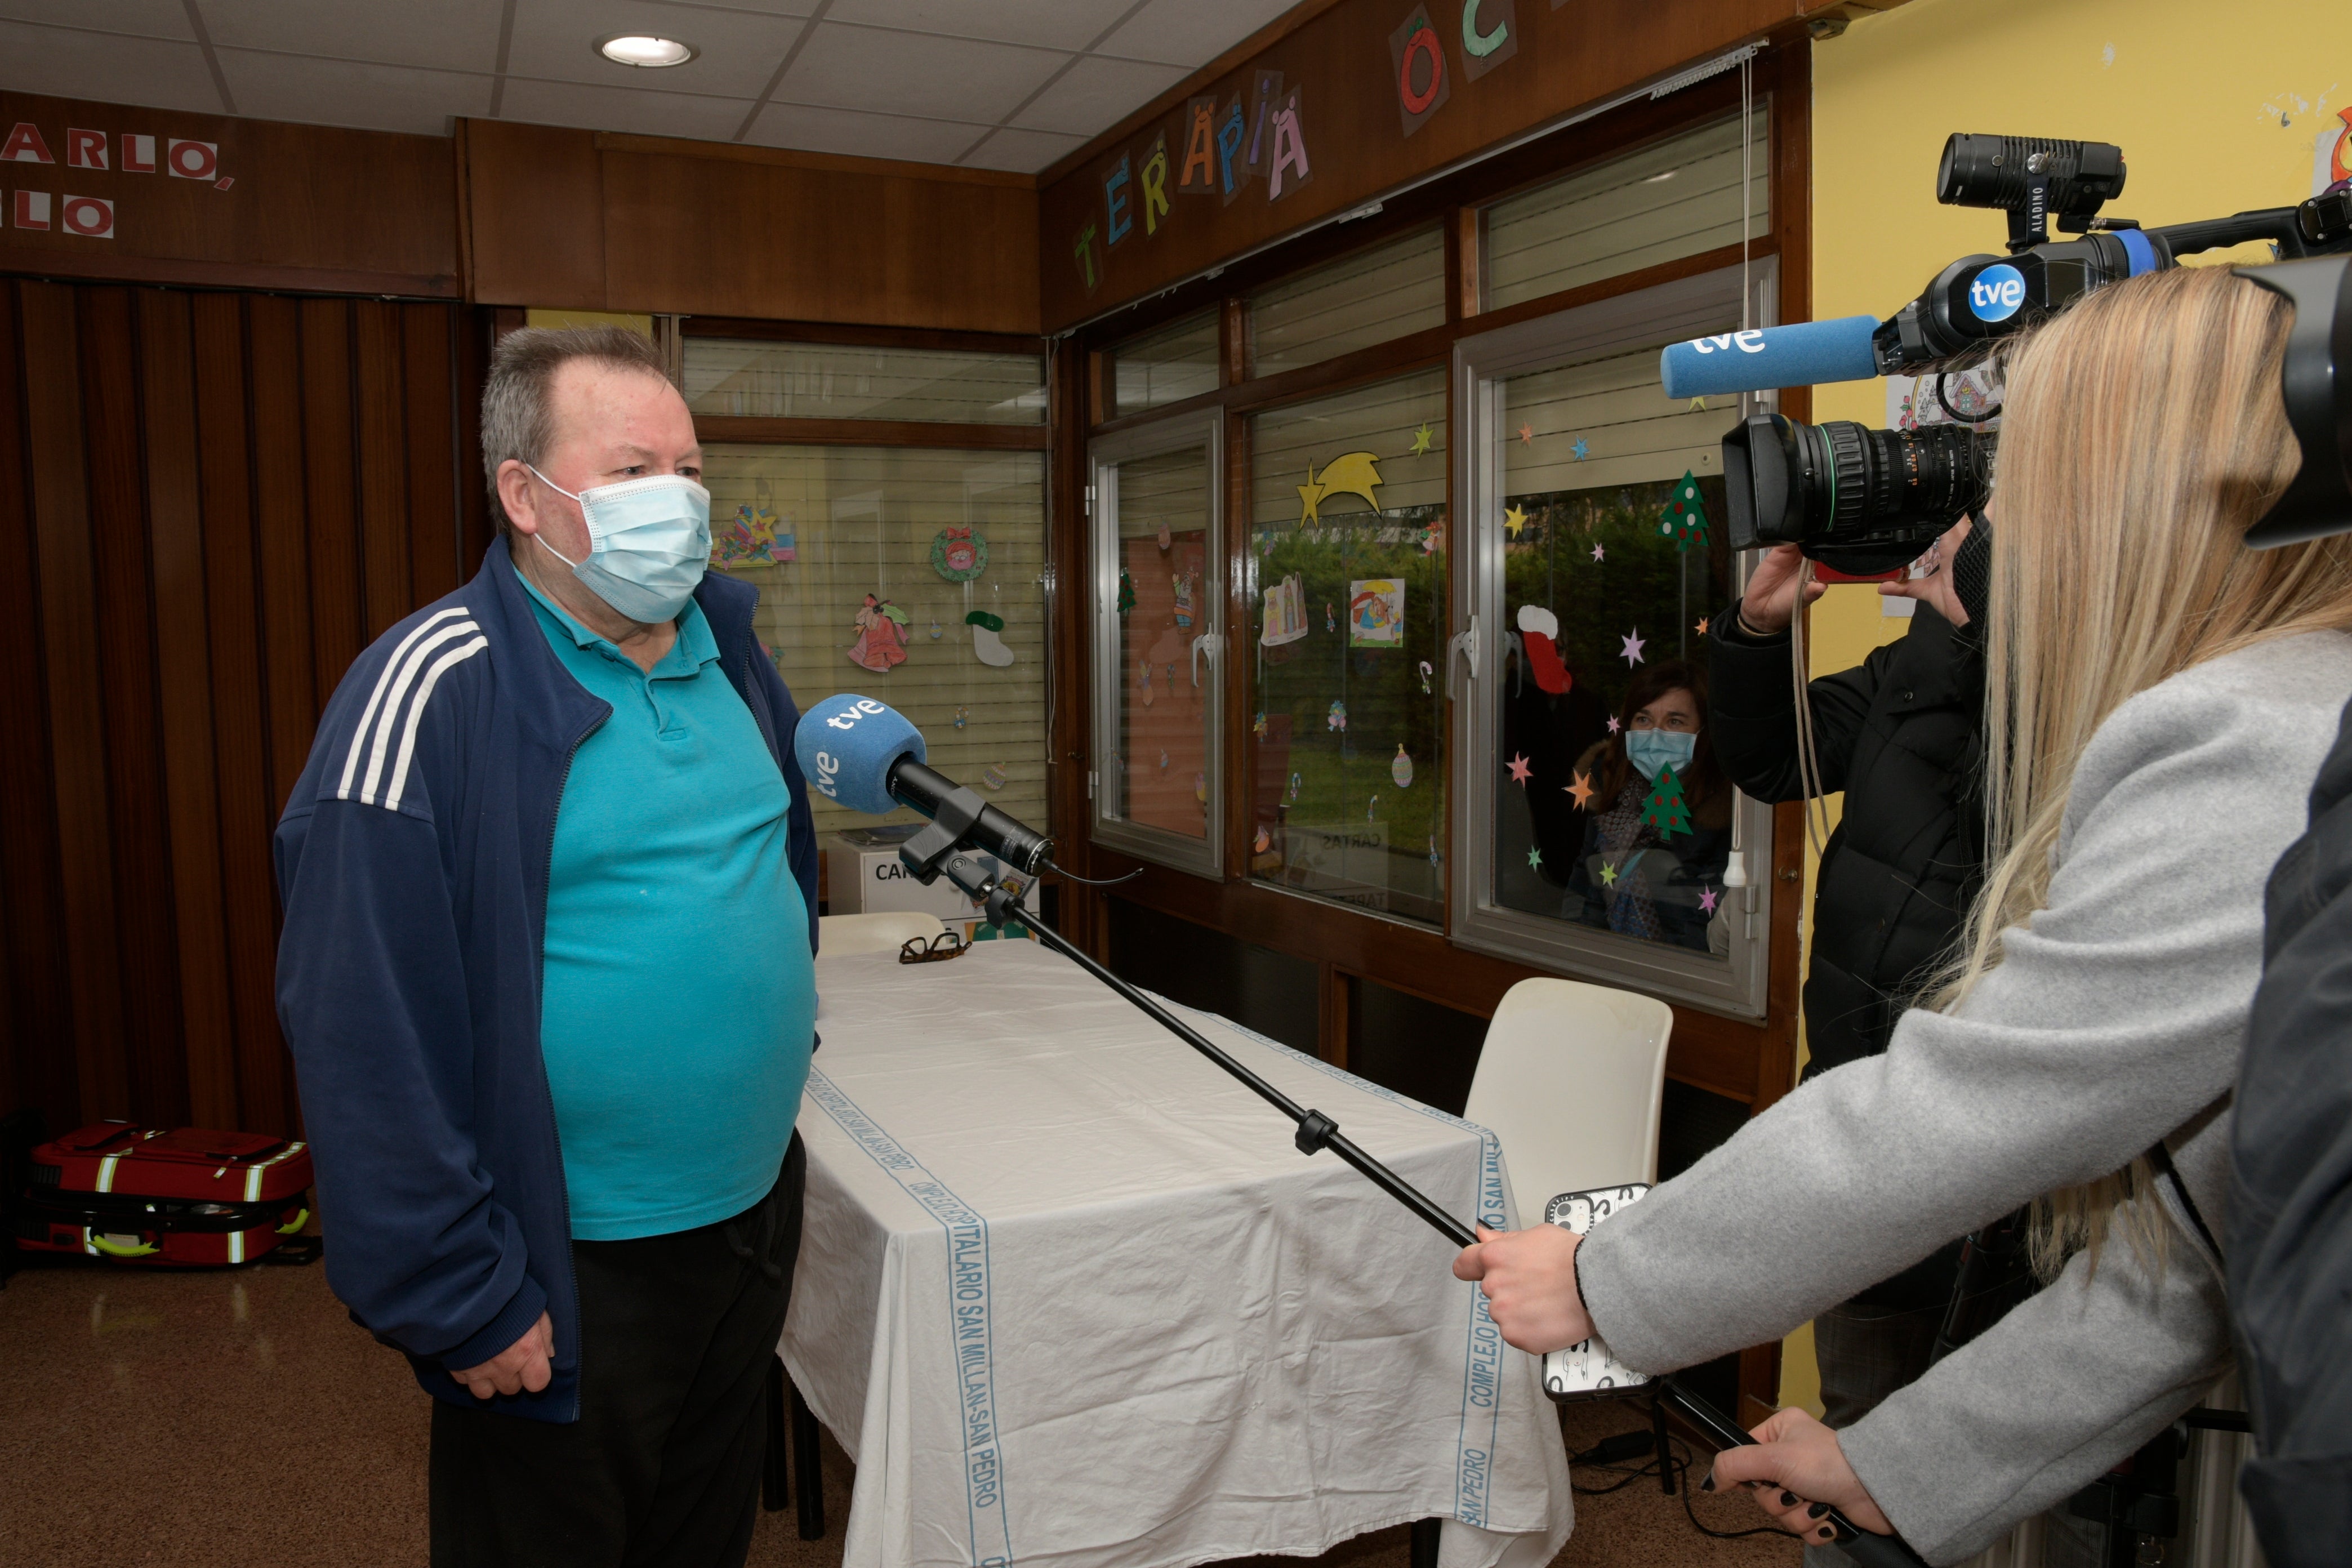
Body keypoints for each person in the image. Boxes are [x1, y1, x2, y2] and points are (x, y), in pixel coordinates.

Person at [1450, 264, 2352, 1565]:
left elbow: (1960, 1110)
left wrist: (1608, 1278)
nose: (1992, 527)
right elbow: (2187, 1256)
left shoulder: (2257, 734)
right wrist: (1904, 1462)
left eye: (2022, 481)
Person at [274, 326, 822, 1567]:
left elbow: (774, 872)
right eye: (633, 472)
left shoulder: (732, 653)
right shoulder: (429, 687)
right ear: (524, 495)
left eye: (690, 469)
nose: (679, 501)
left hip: (744, 1222)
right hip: (558, 1261)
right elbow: (360, 1027)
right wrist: (457, 1293)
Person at [1708, 516, 1998, 1521]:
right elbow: (1772, 760)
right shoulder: (1916, 659)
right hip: (1861, 1122)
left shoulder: (2091, 672)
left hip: (1998, 1150)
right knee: (1854, 1439)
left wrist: (1987, 614)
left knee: (2000, 1465)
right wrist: (1758, 632)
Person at [1561, 660, 1732, 953]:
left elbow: (1704, 925)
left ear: (1703, 732)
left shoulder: (1723, 811)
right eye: (1643, 719)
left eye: (1674, 722)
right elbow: (1583, 893)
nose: (1655, 734)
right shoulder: (1611, 789)